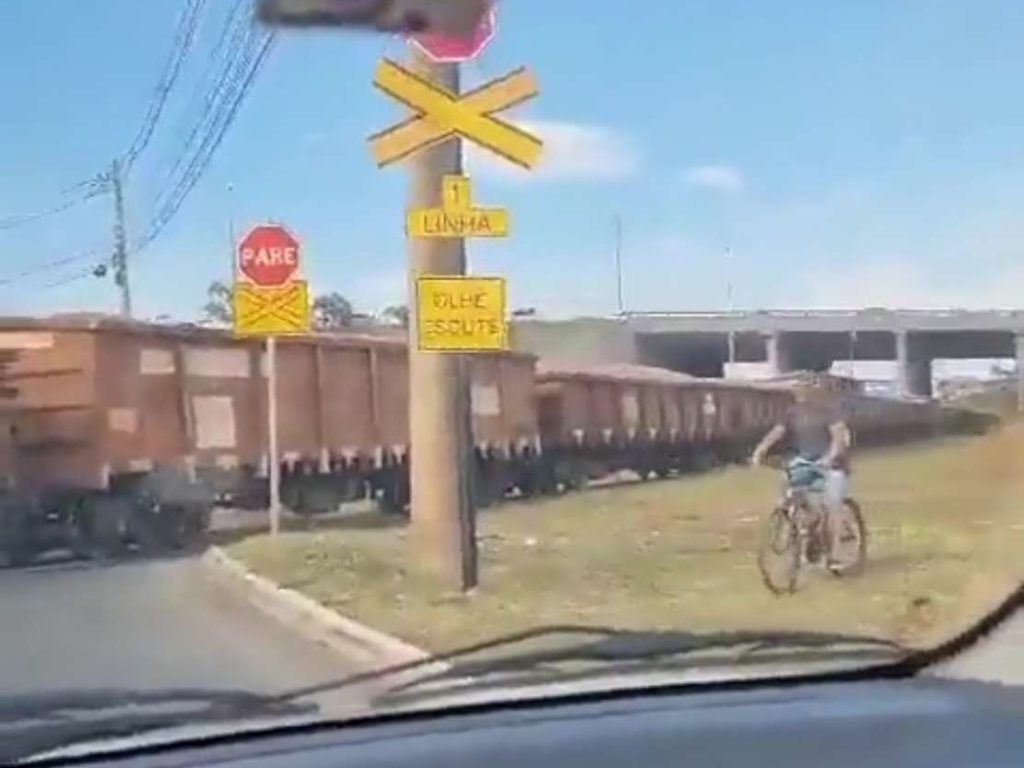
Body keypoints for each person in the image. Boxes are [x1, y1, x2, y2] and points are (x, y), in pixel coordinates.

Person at [750, 376, 852, 570]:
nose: (800, 394)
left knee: (833, 506)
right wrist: (760, 450)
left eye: (804, 390)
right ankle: (801, 527)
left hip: (833, 465)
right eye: (797, 390)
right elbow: (776, 432)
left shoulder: (829, 413)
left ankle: (835, 554)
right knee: (789, 486)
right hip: (806, 462)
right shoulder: (792, 413)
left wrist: (830, 457)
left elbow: (838, 438)